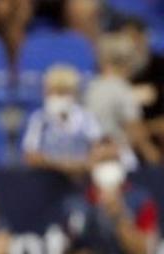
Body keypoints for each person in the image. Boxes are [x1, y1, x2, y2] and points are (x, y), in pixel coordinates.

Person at [63, 138, 158, 254]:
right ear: (91, 164)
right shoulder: (76, 204)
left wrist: (119, 215)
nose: (108, 167)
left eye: (113, 160)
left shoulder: (140, 200)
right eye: (102, 161)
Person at [86, 33, 161, 168]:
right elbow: (134, 127)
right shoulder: (121, 88)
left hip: (91, 155)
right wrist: (152, 155)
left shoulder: (92, 86)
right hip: (116, 156)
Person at [22, 64, 103, 179]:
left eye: (63, 92)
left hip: (81, 178)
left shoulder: (87, 118)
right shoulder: (39, 119)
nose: (58, 97)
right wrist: (62, 166)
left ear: (74, 94)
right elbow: (30, 155)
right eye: (53, 92)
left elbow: (98, 149)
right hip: (47, 179)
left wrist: (80, 165)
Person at [117, 17, 164, 149]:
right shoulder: (116, 70)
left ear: (145, 38)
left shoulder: (160, 66)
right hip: (126, 138)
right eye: (125, 40)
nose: (131, 45)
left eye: (135, 38)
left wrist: (144, 129)